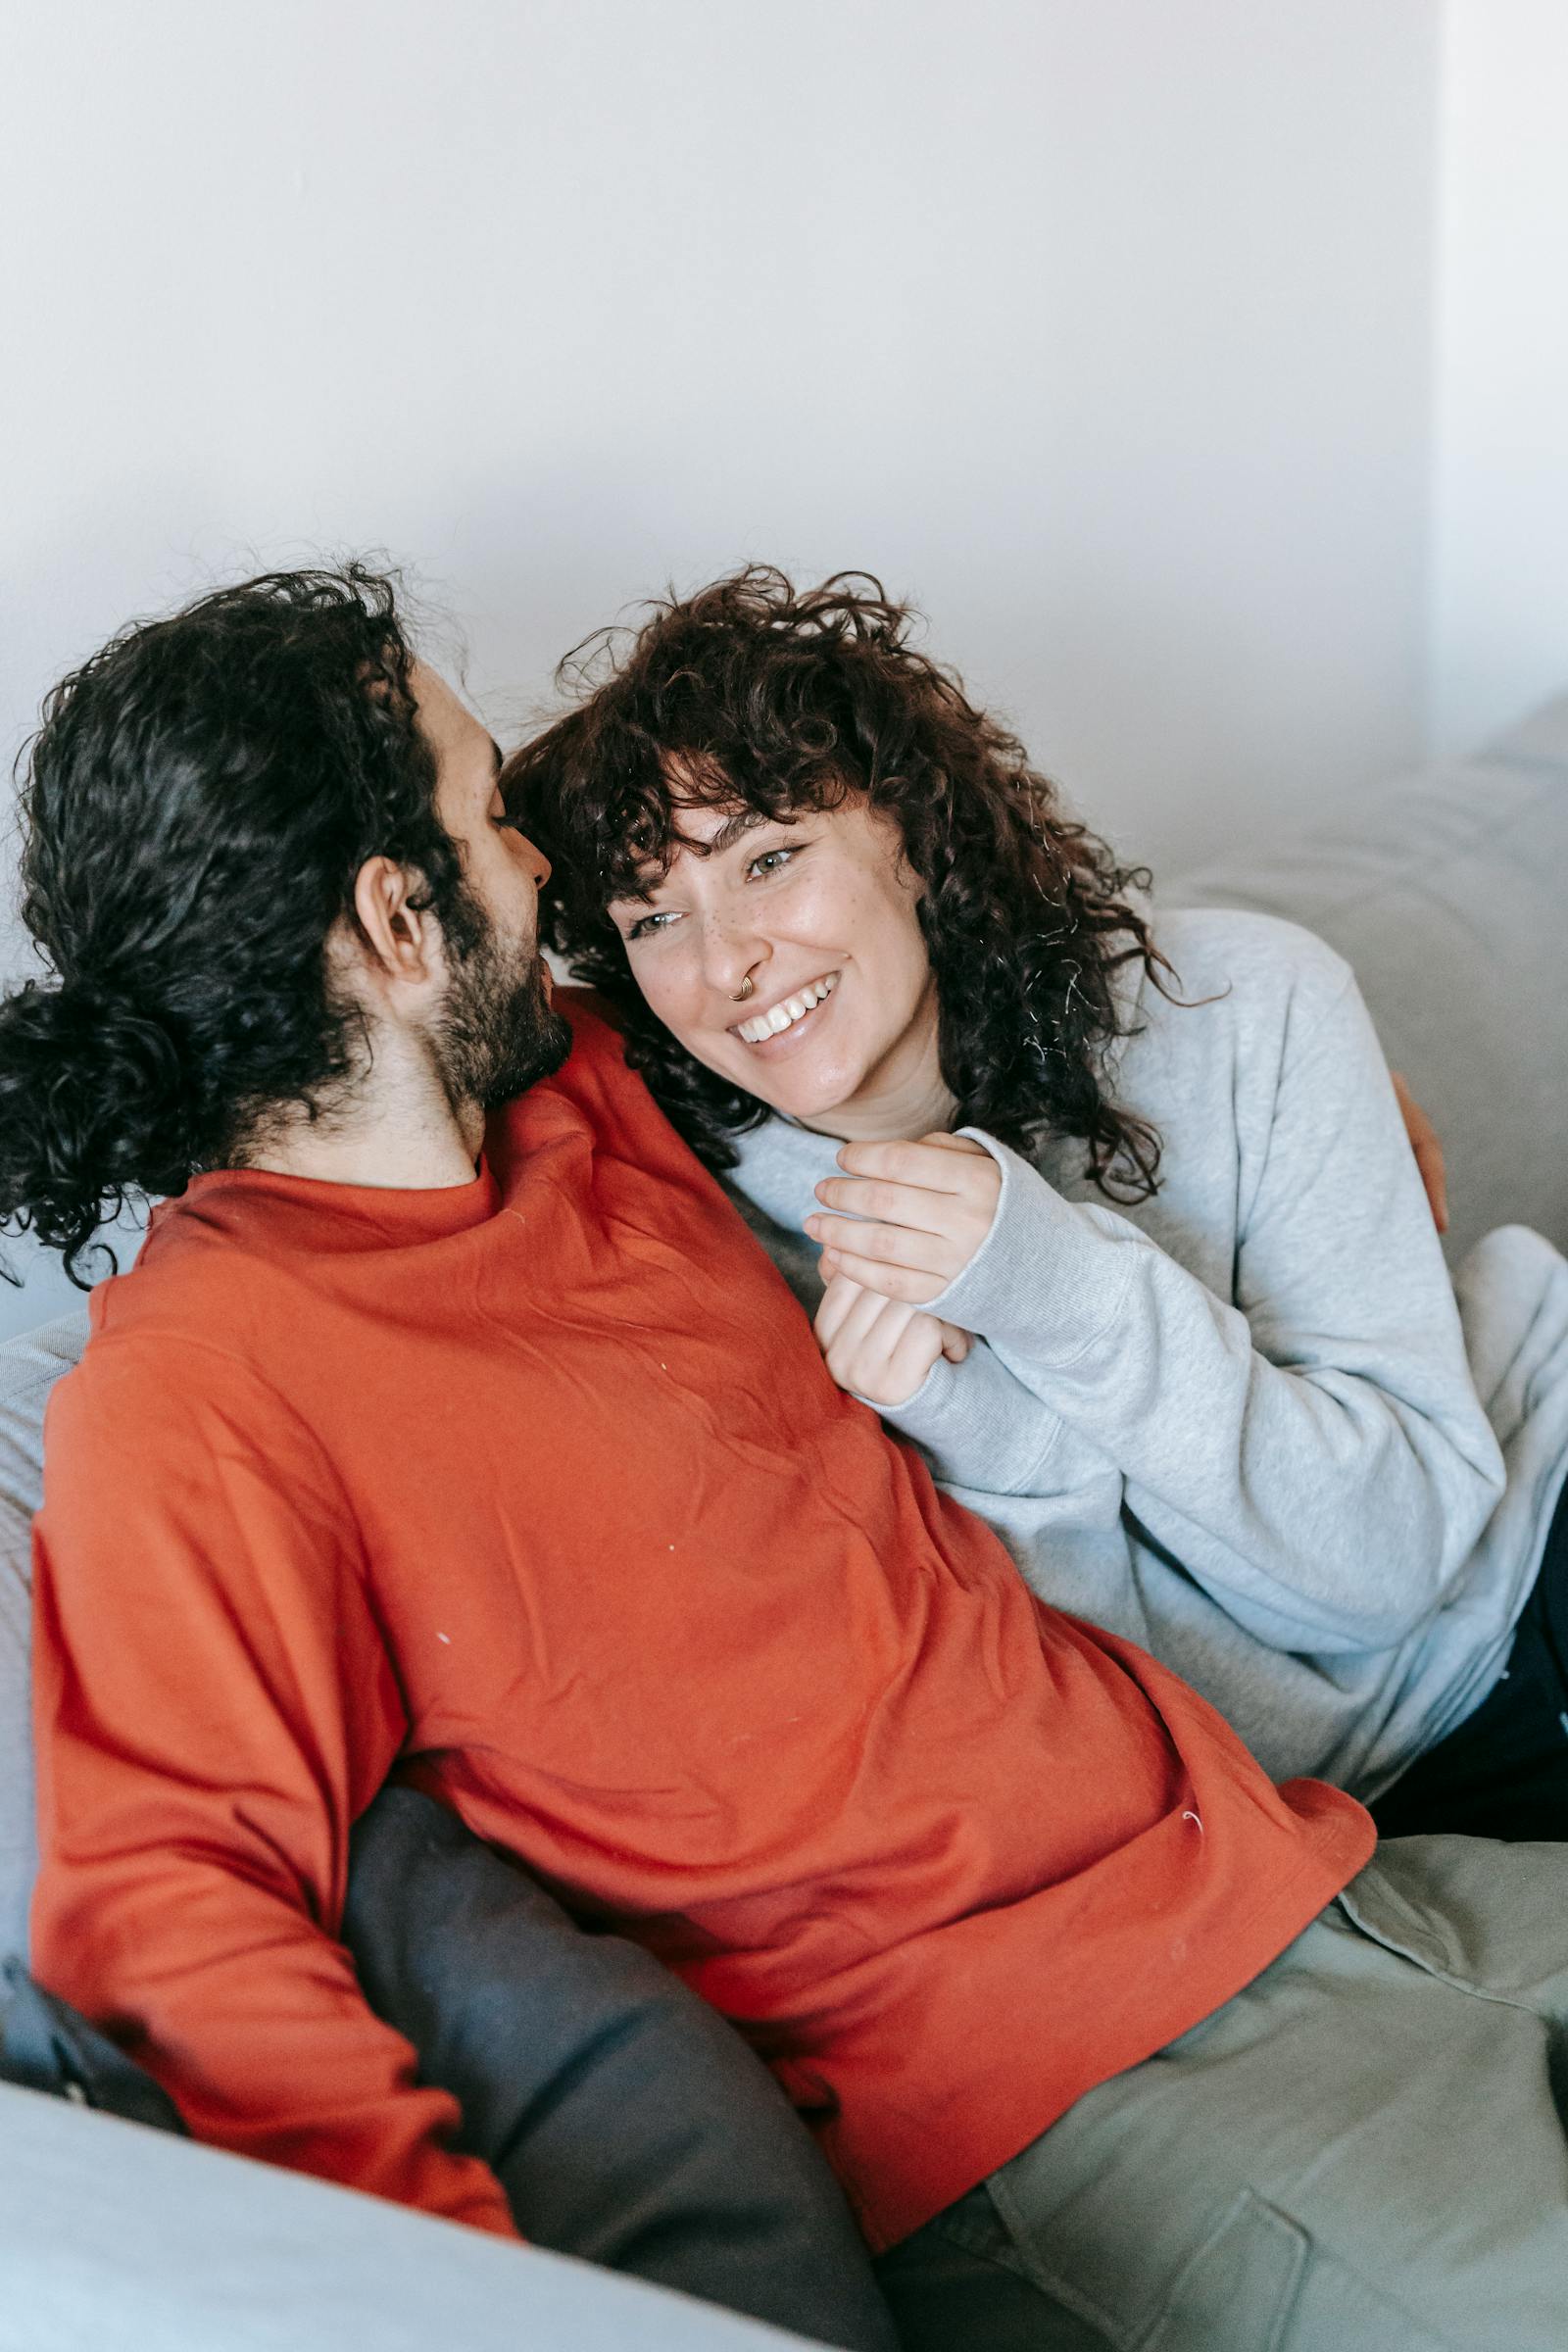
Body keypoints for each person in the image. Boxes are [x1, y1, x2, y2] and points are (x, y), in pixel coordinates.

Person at [9, 568, 1568, 2352]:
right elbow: (166, 1914)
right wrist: (468, 2307)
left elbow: (890, 940)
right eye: (492, 815)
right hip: (1082, 2091)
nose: (539, 871)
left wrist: (1316, 1148)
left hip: (1325, 1870)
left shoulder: (593, 1097)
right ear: (398, 916)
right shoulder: (202, 1388)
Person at [510, 566, 1568, 1838]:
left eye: (770, 858)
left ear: (907, 831)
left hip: (1523, 1559)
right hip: (1309, 1803)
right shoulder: (705, 1242)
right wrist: (1004, 1445)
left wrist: (1064, 1293)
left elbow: (1391, 1572)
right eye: (652, 918)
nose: (725, 960)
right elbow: (1087, 1728)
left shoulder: (1246, 1005)